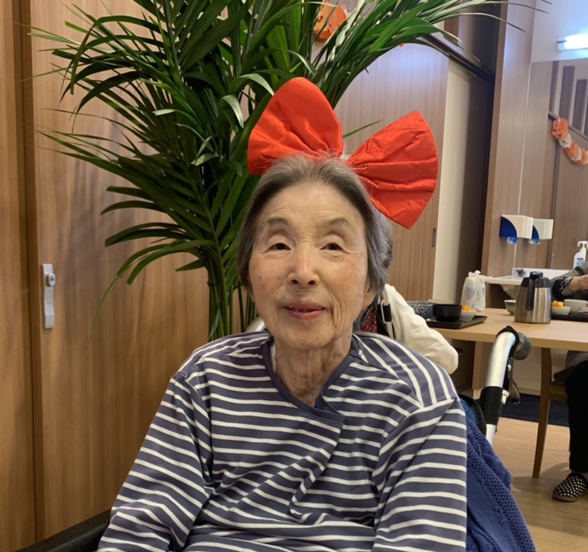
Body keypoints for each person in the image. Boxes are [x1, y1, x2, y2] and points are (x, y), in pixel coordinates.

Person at [97, 78, 468, 551]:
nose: (303, 272)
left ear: (371, 284)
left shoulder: (417, 399)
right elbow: (141, 530)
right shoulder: (206, 379)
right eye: (278, 244)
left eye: (333, 245)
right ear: (248, 273)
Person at [550, 262, 588, 501]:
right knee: (584, 380)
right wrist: (578, 283)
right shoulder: (585, 269)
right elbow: (552, 287)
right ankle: (581, 472)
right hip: (585, 355)